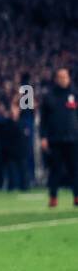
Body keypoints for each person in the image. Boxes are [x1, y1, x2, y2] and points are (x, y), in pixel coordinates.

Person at [38, 67, 77, 208]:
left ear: (69, 78)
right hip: (55, 139)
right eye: (60, 77)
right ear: (56, 79)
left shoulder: (75, 93)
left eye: (65, 76)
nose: (63, 79)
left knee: (75, 169)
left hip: (73, 139)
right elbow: (43, 120)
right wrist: (43, 137)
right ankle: (53, 197)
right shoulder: (49, 96)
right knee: (55, 170)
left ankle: (77, 196)